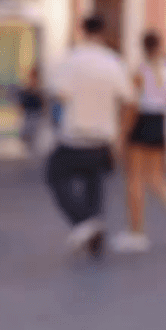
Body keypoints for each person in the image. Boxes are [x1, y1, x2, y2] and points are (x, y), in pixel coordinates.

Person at [46, 14, 132, 258]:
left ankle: (82, 221)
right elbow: (128, 100)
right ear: (103, 33)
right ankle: (95, 239)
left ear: (82, 31)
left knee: (55, 176)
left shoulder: (72, 60)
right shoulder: (114, 62)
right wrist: (120, 138)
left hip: (75, 136)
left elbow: (59, 96)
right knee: (95, 186)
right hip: (103, 138)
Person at [111, 31, 166, 253]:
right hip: (161, 123)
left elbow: (132, 105)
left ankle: (136, 232)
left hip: (142, 123)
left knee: (135, 179)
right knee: (157, 177)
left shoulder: (140, 71)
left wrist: (122, 134)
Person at [17, 66, 50, 157]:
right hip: (29, 113)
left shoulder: (40, 88)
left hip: (36, 114)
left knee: (34, 132)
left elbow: (43, 102)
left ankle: (32, 151)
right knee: (27, 133)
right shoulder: (28, 87)